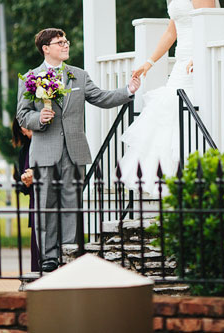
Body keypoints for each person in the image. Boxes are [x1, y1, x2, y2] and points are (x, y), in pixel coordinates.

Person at [17, 28, 141, 272]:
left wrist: (128, 91)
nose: (65, 45)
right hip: (44, 152)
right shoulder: (30, 77)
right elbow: (22, 115)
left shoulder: (79, 76)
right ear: (45, 48)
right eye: (60, 42)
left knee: (72, 205)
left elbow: (101, 97)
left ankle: (69, 251)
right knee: (46, 206)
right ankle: (49, 257)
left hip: (74, 151)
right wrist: (39, 118)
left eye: (66, 41)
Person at [120, 0, 219, 194]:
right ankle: (178, 180)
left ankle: (199, 175)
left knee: (195, 112)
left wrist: (201, 55)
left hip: (196, 62)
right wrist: (149, 62)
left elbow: (211, 24)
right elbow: (171, 31)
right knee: (169, 117)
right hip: (181, 61)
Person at [11, 118, 39, 272]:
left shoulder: (45, 145)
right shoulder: (25, 150)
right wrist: (25, 181)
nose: (25, 131)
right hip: (34, 200)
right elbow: (20, 183)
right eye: (23, 128)